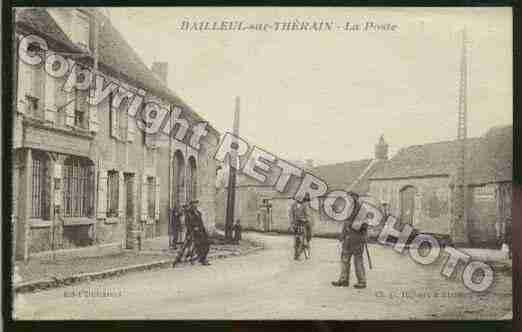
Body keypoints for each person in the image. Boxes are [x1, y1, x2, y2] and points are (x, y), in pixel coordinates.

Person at [332, 193, 367, 288]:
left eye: (351, 198)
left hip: (357, 239)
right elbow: (345, 223)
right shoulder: (349, 209)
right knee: (344, 259)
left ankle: (362, 281)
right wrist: (342, 235)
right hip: (348, 239)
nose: (349, 200)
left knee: (358, 260)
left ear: (356, 198)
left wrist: (352, 226)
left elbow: (363, 225)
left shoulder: (362, 210)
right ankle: (344, 280)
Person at [185, 200, 211, 265]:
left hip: (201, 232)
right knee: (199, 245)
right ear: (191, 205)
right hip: (194, 233)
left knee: (207, 243)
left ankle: (202, 258)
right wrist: (193, 228)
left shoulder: (198, 212)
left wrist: (205, 230)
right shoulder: (189, 213)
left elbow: (201, 223)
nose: (196, 205)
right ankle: (202, 259)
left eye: (196, 203)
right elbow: (187, 224)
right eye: (194, 204)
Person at [289, 193, 312, 260]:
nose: (299, 200)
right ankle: (296, 255)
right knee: (296, 241)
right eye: (297, 199)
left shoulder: (305, 205)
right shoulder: (293, 205)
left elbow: (308, 215)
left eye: (300, 199)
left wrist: (305, 219)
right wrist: (292, 224)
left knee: (304, 240)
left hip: (303, 224)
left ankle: (305, 253)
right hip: (296, 225)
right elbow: (291, 215)